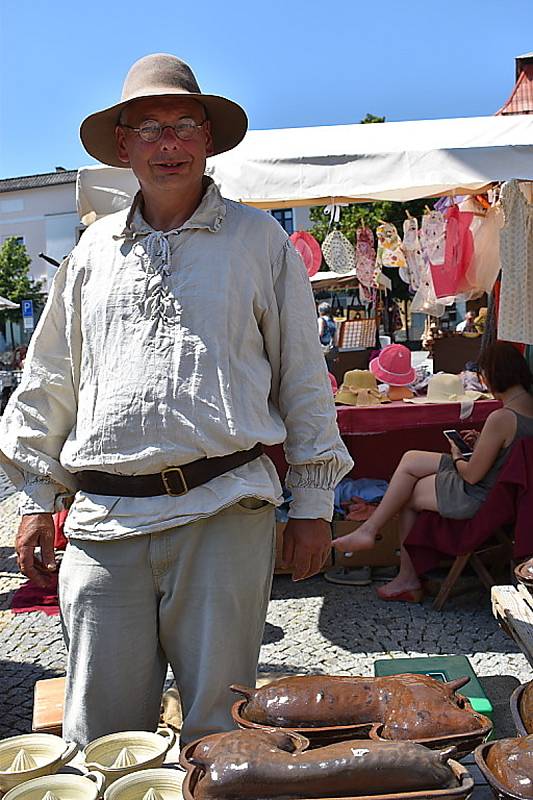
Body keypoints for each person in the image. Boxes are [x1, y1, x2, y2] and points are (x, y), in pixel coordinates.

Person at [0, 54, 352, 746]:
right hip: (103, 521)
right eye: (149, 128)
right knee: (100, 732)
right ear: (124, 145)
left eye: (184, 125)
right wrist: (36, 500)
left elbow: (302, 379)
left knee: (221, 730)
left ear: (208, 138)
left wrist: (311, 505)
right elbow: (49, 379)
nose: (168, 144)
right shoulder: (93, 252)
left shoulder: (260, 244)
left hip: (223, 510)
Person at [333, 341, 533, 602]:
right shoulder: (526, 408)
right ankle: (373, 536)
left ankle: (403, 574)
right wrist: (481, 441)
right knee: (410, 461)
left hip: (480, 494)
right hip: (503, 494)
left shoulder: (502, 417)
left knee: (407, 491)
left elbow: (471, 474)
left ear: (493, 374)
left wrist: (457, 453)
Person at [317, 301, 337, 370]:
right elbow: (335, 338)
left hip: (323, 348)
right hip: (331, 349)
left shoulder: (321, 320)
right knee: (330, 370)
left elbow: (320, 333)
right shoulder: (332, 321)